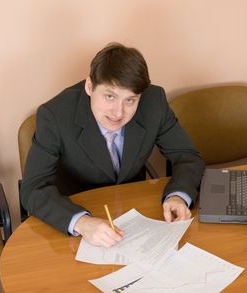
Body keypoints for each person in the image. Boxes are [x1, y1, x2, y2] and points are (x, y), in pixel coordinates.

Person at [21, 42, 205, 248]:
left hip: (134, 215)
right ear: (89, 86)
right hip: (76, 218)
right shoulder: (55, 115)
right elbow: (33, 189)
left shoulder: (154, 101)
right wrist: (82, 223)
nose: (118, 113)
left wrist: (178, 196)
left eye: (130, 101)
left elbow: (187, 155)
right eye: (110, 97)